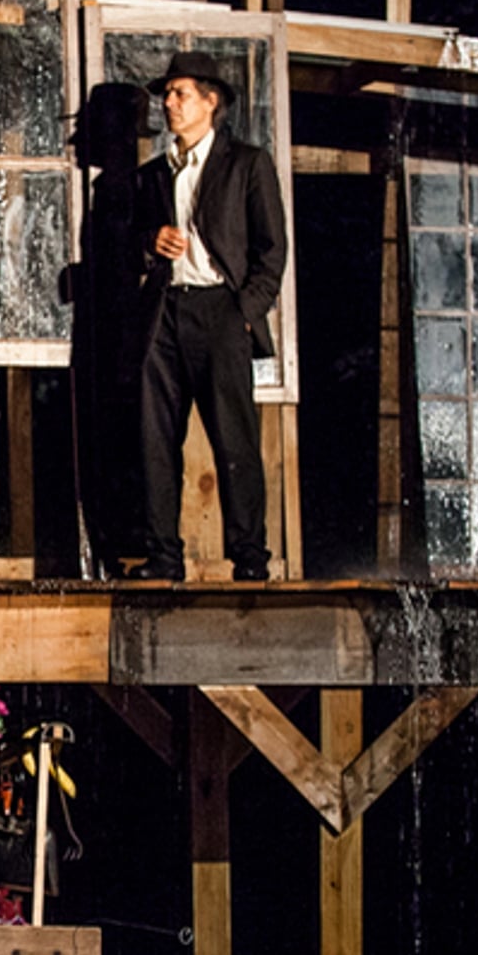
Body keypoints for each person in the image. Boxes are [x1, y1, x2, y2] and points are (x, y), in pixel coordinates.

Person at [123, 49, 289, 582]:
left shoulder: (247, 164)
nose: (169, 103)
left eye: (180, 94)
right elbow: (127, 246)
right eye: (167, 95)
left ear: (210, 102)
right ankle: (163, 557)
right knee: (154, 438)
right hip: (164, 312)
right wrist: (150, 241)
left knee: (234, 440)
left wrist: (244, 313)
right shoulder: (154, 175)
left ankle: (250, 559)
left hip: (221, 309)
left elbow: (272, 250)